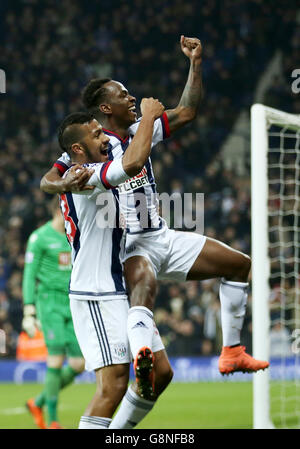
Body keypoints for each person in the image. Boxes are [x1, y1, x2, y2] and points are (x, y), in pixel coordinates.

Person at [40, 36, 268, 387]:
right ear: (105, 108)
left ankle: (233, 350)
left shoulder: (137, 131)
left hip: (161, 234)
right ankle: (142, 352)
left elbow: (188, 111)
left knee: (239, 264)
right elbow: (51, 176)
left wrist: (195, 64)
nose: (131, 97)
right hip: (130, 243)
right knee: (143, 281)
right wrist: (61, 186)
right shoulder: (95, 146)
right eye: (123, 94)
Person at [57, 98, 173, 430]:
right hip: (95, 291)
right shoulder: (86, 176)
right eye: (97, 135)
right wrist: (150, 117)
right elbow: (134, 162)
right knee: (113, 386)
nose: (106, 138)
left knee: (160, 373)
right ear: (79, 149)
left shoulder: (83, 170)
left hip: (116, 287)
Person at [22, 196, 85, 429]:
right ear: (59, 212)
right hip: (49, 302)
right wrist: (29, 309)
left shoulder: (74, 236)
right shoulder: (39, 238)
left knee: (79, 363)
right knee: (56, 358)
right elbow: (29, 275)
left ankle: (37, 402)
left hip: (72, 301)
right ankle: (53, 421)